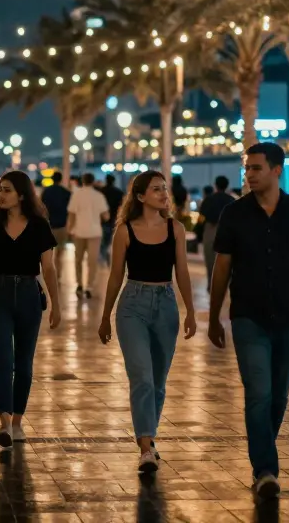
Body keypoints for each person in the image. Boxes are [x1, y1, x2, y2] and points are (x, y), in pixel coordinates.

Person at [207, 143, 289, 500]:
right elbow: (222, 268)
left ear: (277, 170)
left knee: (278, 395)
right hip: (248, 316)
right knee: (258, 393)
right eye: (247, 169)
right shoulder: (234, 213)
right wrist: (214, 316)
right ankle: (266, 469)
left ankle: (263, 450)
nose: (250, 174)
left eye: (257, 168)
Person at [98, 170, 196, 472]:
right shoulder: (125, 231)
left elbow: (182, 271)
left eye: (165, 189)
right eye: (156, 189)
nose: (164, 194)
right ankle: (145, 445)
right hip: (132, 306)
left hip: (165, 305)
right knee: (141, 376)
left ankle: (148, 438)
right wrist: (104, 316)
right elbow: (115, 275)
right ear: (140, 196)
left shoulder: (175, 228)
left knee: (158, 381)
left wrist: (191, 310)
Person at [0, 171, 62, 448]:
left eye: (7, 190)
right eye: (0, 190)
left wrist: (56, 305)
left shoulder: (39, 225)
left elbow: (49, 268)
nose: (1, 195)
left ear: (21, 194)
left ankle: (18, 421)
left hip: (30, 295)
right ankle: (5, 422)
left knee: (24, 363)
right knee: (3, 360)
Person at [68, 172, 110, 299]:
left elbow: (72, 214)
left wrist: (70, 229)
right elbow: (106, 216)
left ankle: (79, 284)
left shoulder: (76, 195)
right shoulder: (99, 196)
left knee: (78, 260)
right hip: (95, 233)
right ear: (93, 181)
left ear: (83, 181)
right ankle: (90, 286)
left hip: (79, 232)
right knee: (92, 261)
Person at [197, 176, 238, 290]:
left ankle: (211, 284)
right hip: (226, 231)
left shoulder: (209, 199)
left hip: (210, 230)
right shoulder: (231, 200)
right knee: (226, 261)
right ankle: (225, 285)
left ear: (216, 185)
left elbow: (201, 218)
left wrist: (199, 233)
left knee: (210, 260)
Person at [40, 172, 72, 281]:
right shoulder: (66, 193)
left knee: (48, 254)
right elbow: (70, 210)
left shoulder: (46, 192)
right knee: (60, 252)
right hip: (62, 226)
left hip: (49, 226)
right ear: (61, 179)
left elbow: (42, 209)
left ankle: (49, 274)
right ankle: (58, 275)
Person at [100, 174, 125, 264]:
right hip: (114, 218)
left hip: (102, 220)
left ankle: (103, 256)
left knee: (103, 239)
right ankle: (108, 252)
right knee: (111, 238)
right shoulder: (118, 192)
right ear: (114, 181)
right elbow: (122, 207)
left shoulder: (101, 192)